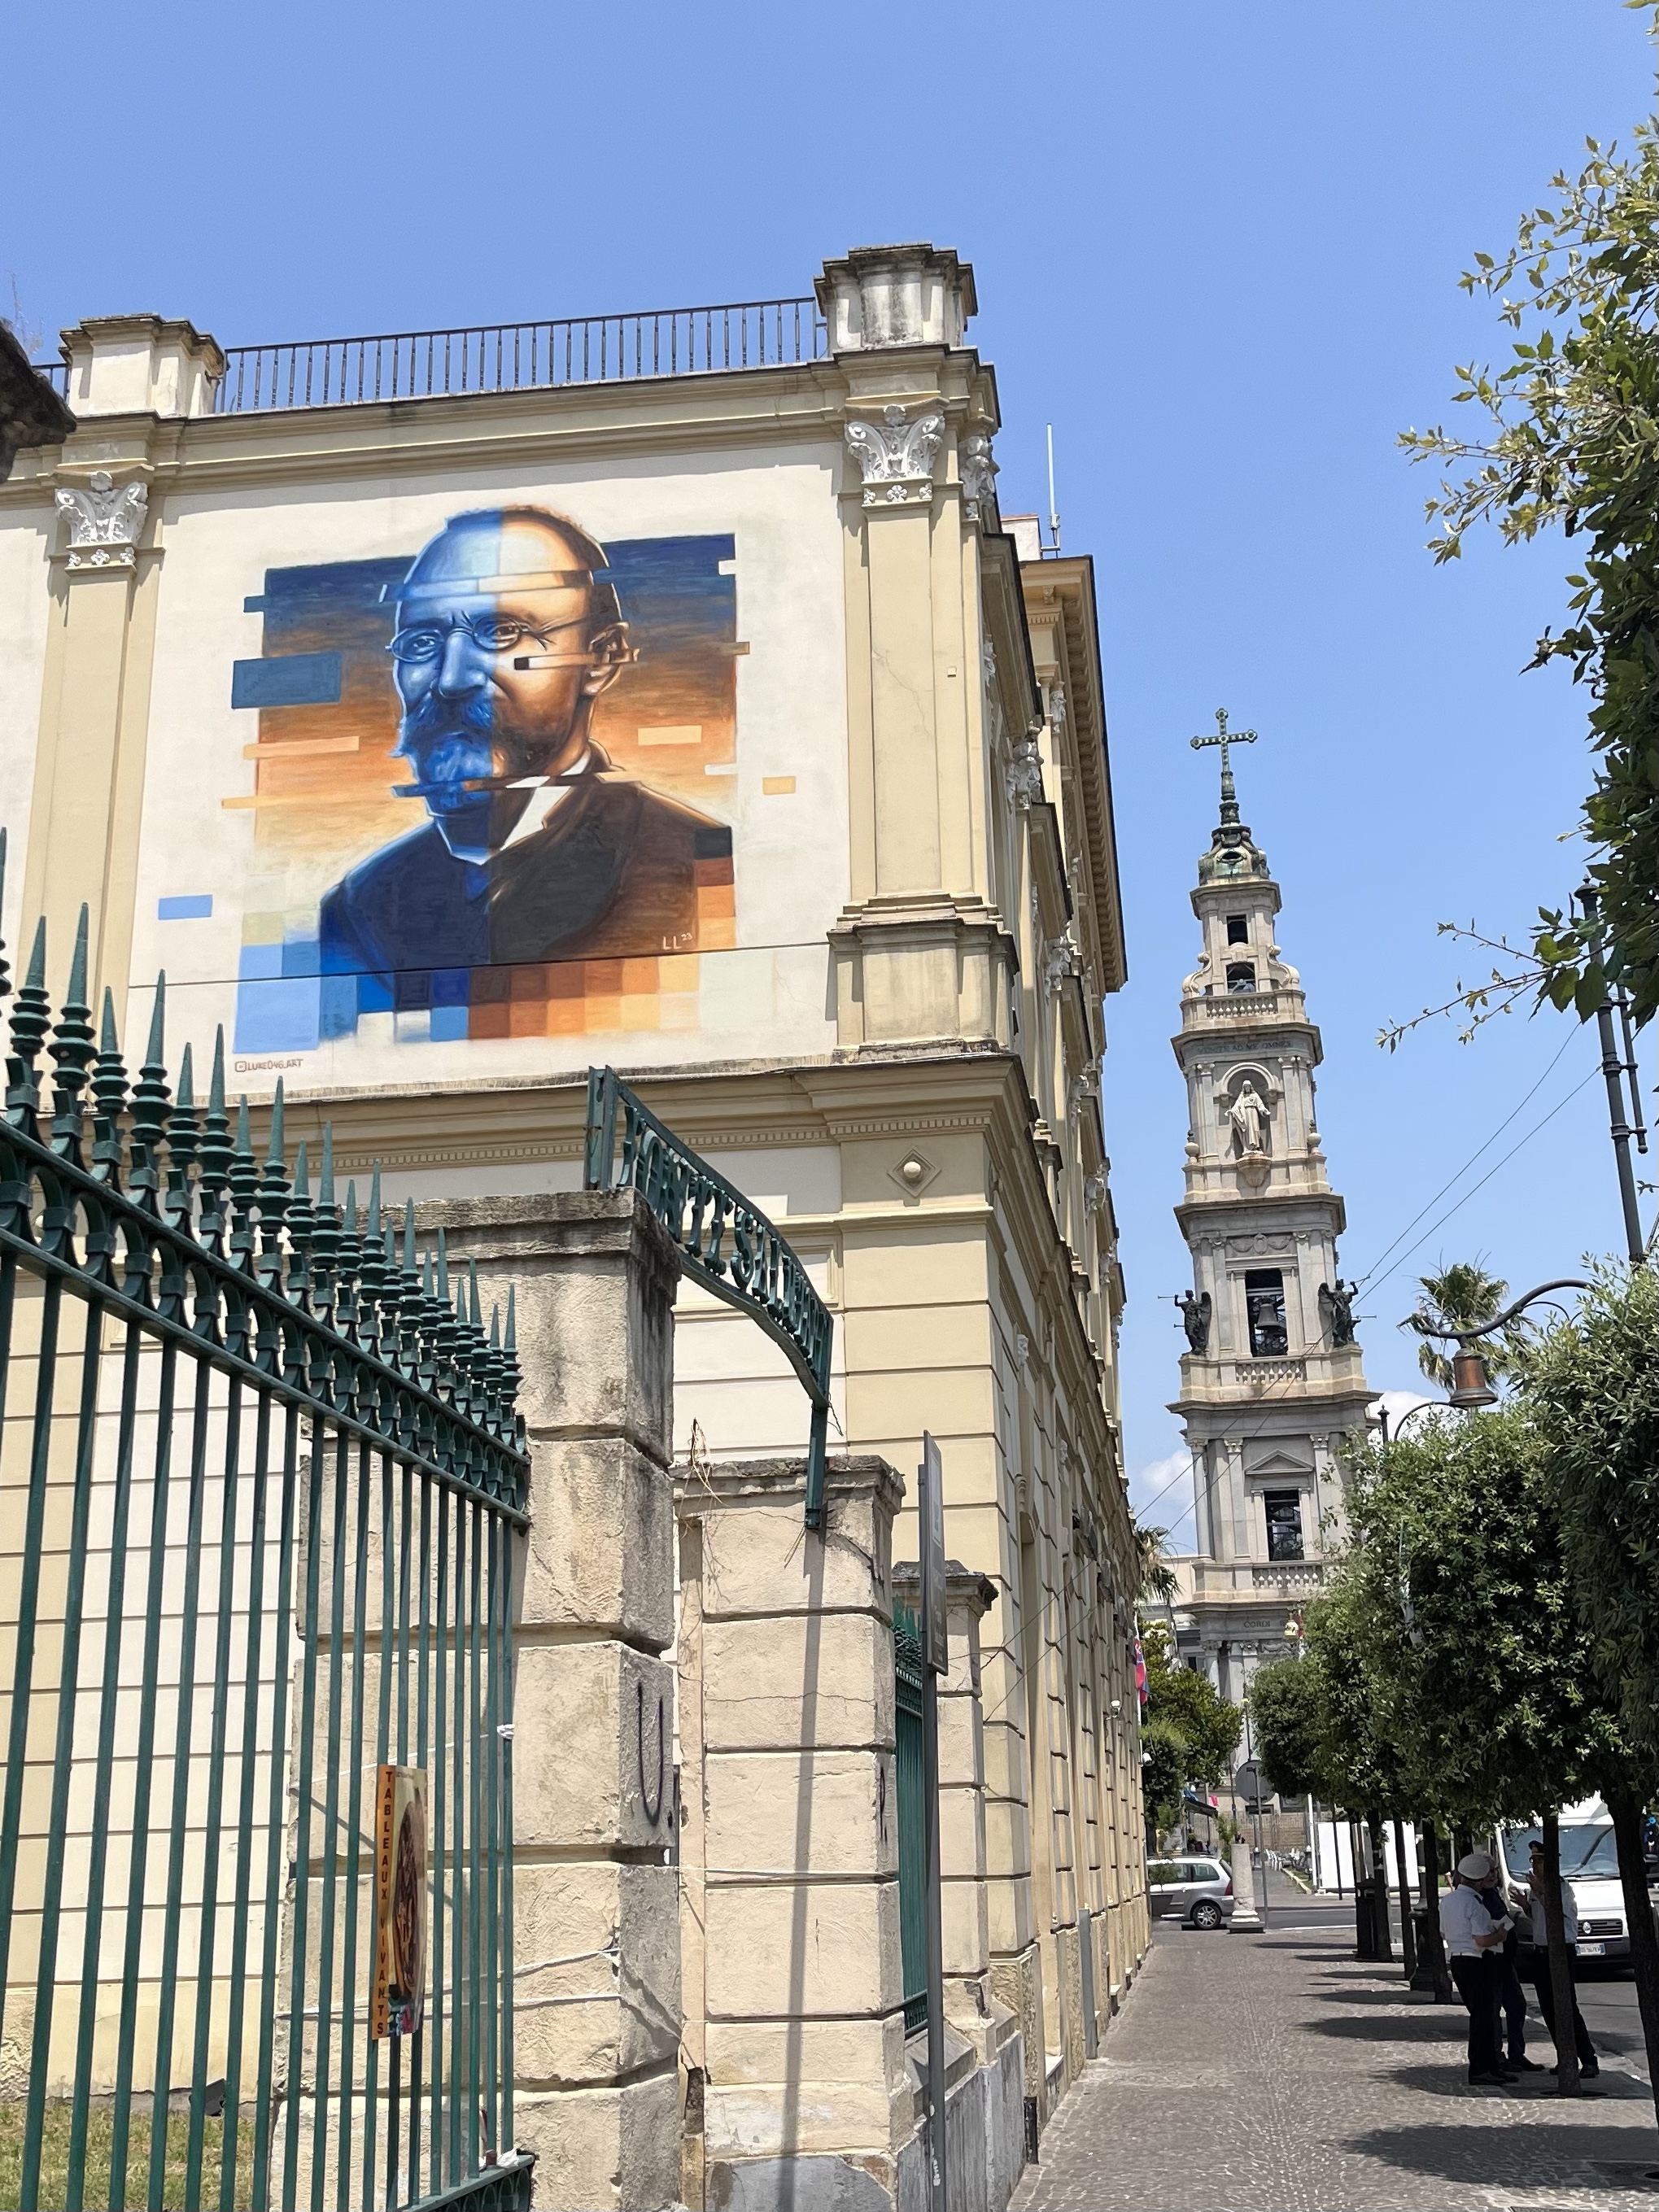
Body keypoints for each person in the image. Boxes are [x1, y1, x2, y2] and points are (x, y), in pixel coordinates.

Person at [320, 505, 732, 983]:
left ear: (601, 659)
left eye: (501, 632)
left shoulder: (701, 869)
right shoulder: (359, 905)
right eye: (421, 643)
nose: (451, 679)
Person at [1526, 1839, 1599, 2077]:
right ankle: (1566, 2057)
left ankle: (1588, 2059)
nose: (1535, 1866)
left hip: (1560, 1952)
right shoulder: (1536, 1888)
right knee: (1548, 2009)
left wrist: (1539, 1891)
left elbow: (1556, 1912)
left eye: (1539, 1861)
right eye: (1533, 1861)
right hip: (1540, 1953)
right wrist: (1525, 1905)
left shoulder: (1561, 1888)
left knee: (1567, 2007)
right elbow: (1539, 1917)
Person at [1440, 1852, 1513, 2085]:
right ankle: (1481, 2069)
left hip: (1457, 1959)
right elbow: (1482, 1940)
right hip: (1476, 1961)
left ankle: (1489, 2066)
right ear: (1480, 1881)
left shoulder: (1448, 1901)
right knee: (1484, 2018)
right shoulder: (1475, 1904)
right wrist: (1500, 1934)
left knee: (1481, 2015)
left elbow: (1443, 1932)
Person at [1476, 1861, 1543, 2071]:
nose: (1492, 1876)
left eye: (1494, 1871)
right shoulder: (1478, 1898)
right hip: (1491, 1960)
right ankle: (1497, 2056)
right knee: (1494, 2009)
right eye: (1487, 1872)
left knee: (1517, 2006)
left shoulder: (1493, 1893)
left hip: (1505, 1961)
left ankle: (1516, 2054)